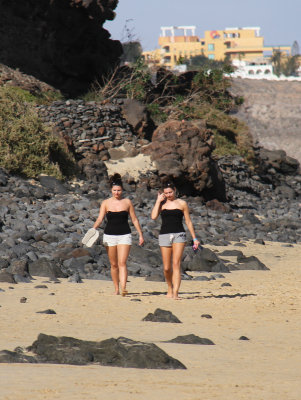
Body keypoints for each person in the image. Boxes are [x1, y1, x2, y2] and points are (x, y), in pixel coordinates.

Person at [93, 173, 144, 296]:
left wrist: (140, 234)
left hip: (125, 235)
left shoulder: (127, 202)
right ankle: (116, 289)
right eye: (115, 190)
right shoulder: (105, 203)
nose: (117, 193)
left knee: (122, 263)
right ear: (111, 190)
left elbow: (134, 219)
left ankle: (124, 288)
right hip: (109, 236)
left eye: (119, 190)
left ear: (122, 190)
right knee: (114, 264)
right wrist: (93, 228)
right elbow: (100, 218)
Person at [151, 180, 200, 299]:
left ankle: (176, 293)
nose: (168, 195)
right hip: (164, 235)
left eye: (170, 192)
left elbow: (188, 221)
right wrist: (158, 201)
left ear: (174, 191)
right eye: (166, 193)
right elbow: (153, 217)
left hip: (179, 235)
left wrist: (194, 238)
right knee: (167, 268)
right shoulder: (161, 204)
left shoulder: (182, 203)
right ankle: (169, 287)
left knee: (176, 264)